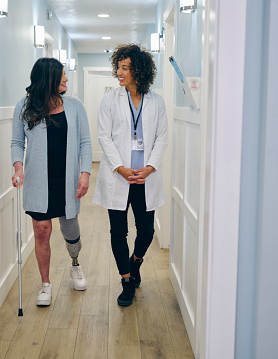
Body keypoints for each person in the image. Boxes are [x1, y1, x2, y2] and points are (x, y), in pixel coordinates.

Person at [11, 57, 92, 306]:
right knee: (42, 231)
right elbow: (17, 142)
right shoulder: (24, 107)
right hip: (37, 180)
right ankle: (45, 283)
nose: (66, 79)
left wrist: (85, 173)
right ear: (48, 80)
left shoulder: (75, 106)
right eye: (62, 76)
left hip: (66, 180)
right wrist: (18, 167)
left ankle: (75, 264)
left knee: (70, 228)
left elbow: (85, 143)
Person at [93, 44, 168, 306]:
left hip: (145, 178)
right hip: (119, 176)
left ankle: (135, 262)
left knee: (146, 231)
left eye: (125, 67)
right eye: (119, 67)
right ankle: (126, 281)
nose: (119, 72)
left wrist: (150, 167)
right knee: (118, 231)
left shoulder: (156, 101)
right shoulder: (110, 100)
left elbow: (161, 137)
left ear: (139, 70)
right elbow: (104, 135)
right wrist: (120, 168)